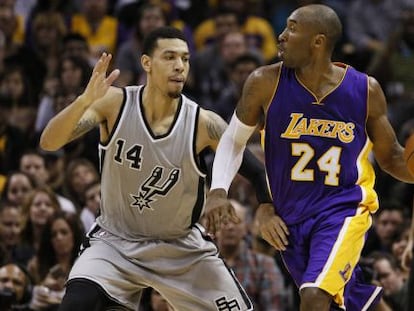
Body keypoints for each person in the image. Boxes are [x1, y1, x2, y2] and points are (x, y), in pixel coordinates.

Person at [40, 26, 271, 310]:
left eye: (185, 59)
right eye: (170, 57)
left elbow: (257, 172)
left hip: (180, 249)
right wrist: (84, 100)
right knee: (76, 304)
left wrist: (259, 205)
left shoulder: (204, 123)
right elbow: (50, 142)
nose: (179, 66)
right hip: (115, 242)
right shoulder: (113, 103)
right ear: (147, 63)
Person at [205, 4, 414, 311]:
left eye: (291, 28)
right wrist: (218, 190)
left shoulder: (365, 90)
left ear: (317, 41)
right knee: (352, 298)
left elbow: (393, 158)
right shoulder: (264, 82)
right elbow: (234, 142)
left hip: (343, 209)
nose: (281, 36)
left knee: (314, 295)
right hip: (291, 219)